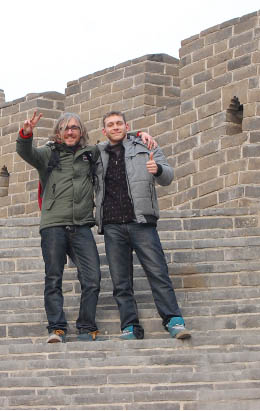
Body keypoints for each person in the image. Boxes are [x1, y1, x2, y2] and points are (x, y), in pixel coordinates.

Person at [16, 110, 155, 344]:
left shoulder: (90, 154)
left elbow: (114, 138)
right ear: (58, 132)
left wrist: (138, 133)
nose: (70, 131)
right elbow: (25, 152)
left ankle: (87, 326)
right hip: (53, 225)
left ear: (81, 133)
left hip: (81, 226)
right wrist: (26, 134)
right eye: (65, 128)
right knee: (53, 278)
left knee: (92, 278)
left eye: (75, 128)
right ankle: (57, 328)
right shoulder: (48, 154)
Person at [95, 110, 191, 340]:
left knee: (158, 272)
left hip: (142, 222)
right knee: (120, 280)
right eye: (111, 124)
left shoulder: (146, 146)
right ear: (104, 130)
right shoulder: (97, 153)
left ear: (127, 126)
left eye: (119, 123)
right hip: (112, 225)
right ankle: (130, 326)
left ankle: (173, 320)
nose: (115, 127)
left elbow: (168, 176)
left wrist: (156, 169)